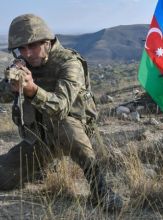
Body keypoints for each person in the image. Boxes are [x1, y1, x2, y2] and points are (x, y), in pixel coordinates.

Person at [0, 14, 122, 212]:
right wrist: (12, 86)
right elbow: (3, 96)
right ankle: (40, 169)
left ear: (47, 42)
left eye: (33, 46)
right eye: (22, 48)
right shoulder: (24, 64)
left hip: (74, 135)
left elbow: (61, 106)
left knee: (65, 124)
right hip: (40, 140)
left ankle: (101, 188)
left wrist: (32, 90)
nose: (28, 53)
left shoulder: (69, 63)